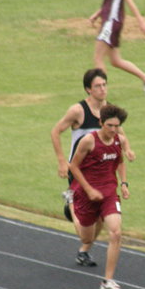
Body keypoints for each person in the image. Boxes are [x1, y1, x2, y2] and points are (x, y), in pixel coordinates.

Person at [50, 68, 134, 267]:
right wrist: (61, 161)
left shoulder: (109, 111)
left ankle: (84, 251)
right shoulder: (78, 111)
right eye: (97, 86)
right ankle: (71, 200)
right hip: (80, 170)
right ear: (88, 89)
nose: (103, 89)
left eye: (104, 84)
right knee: (85, 227)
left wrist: (128, 149)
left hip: (102, 170)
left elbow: (120, 133)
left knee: (101, 217)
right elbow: (55, 131)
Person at [68, 104, 130, 289]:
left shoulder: (118, 140)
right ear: (101, 122)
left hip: (109, 193)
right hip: (87, 194)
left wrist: (124, 184)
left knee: (116, 232)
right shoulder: (88, 141)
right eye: (109, 125)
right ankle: (70, 202)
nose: (113, 130)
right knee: (86, 238)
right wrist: (88, 189)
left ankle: (108, 282)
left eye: (116, 126)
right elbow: (73, 166)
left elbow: (120, 162)